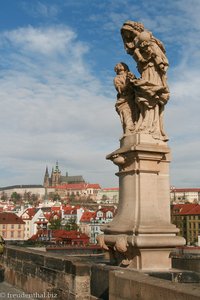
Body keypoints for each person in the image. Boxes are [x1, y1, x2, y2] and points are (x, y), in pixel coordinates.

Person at [121, 21, 169, 141]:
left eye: (127, 32)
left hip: (152, 71)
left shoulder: (146, 38)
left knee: (149, 94)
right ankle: (144, 124)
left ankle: (151, 127)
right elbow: (139, 56)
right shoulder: (138, 42)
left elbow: (157, 53)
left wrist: (159, 62)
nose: (126, 36)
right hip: (145, 71)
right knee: (142, 96)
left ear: (132, 29)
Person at [113, 62, 138, 136]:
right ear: (116, 69)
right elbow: (120, 89)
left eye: (121, 64)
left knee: (135, 117)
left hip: (133, 99)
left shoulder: (130, 74)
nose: (120, 66)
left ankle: (134, 131)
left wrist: (133, 79)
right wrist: (127, 83)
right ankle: (128, 133)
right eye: (118, 65)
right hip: (124, 101)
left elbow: (137, 85)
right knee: (126, 117)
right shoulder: (116, 78)